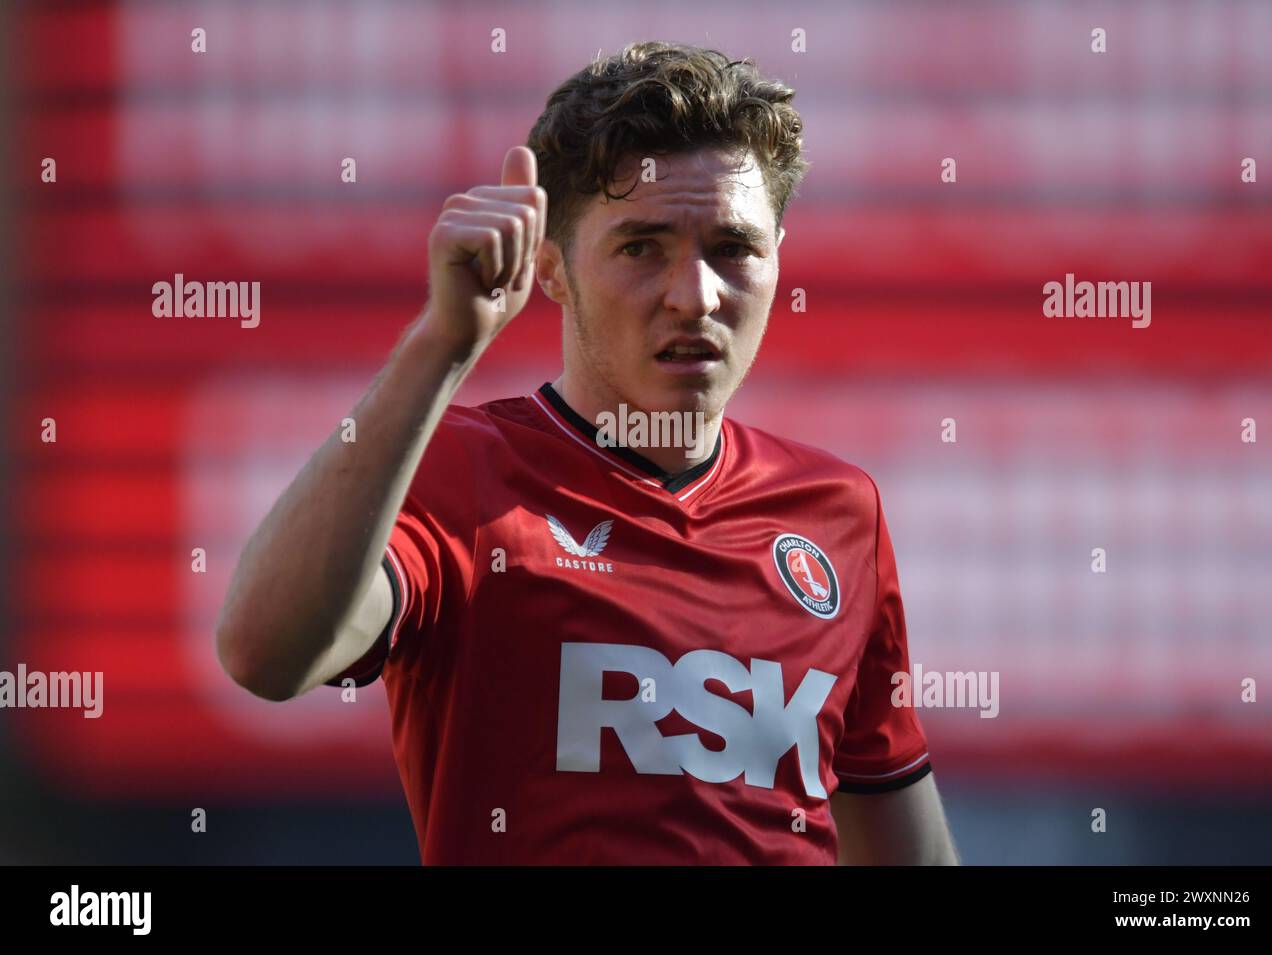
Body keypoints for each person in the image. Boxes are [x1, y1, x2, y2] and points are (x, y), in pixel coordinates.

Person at [215, 40, 958, 865]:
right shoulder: (462, 471)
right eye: (641, 247)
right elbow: (265, 652)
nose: (695, 294)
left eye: (733, 248)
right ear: (552, 270)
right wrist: (440, 346)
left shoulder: (837, 508)